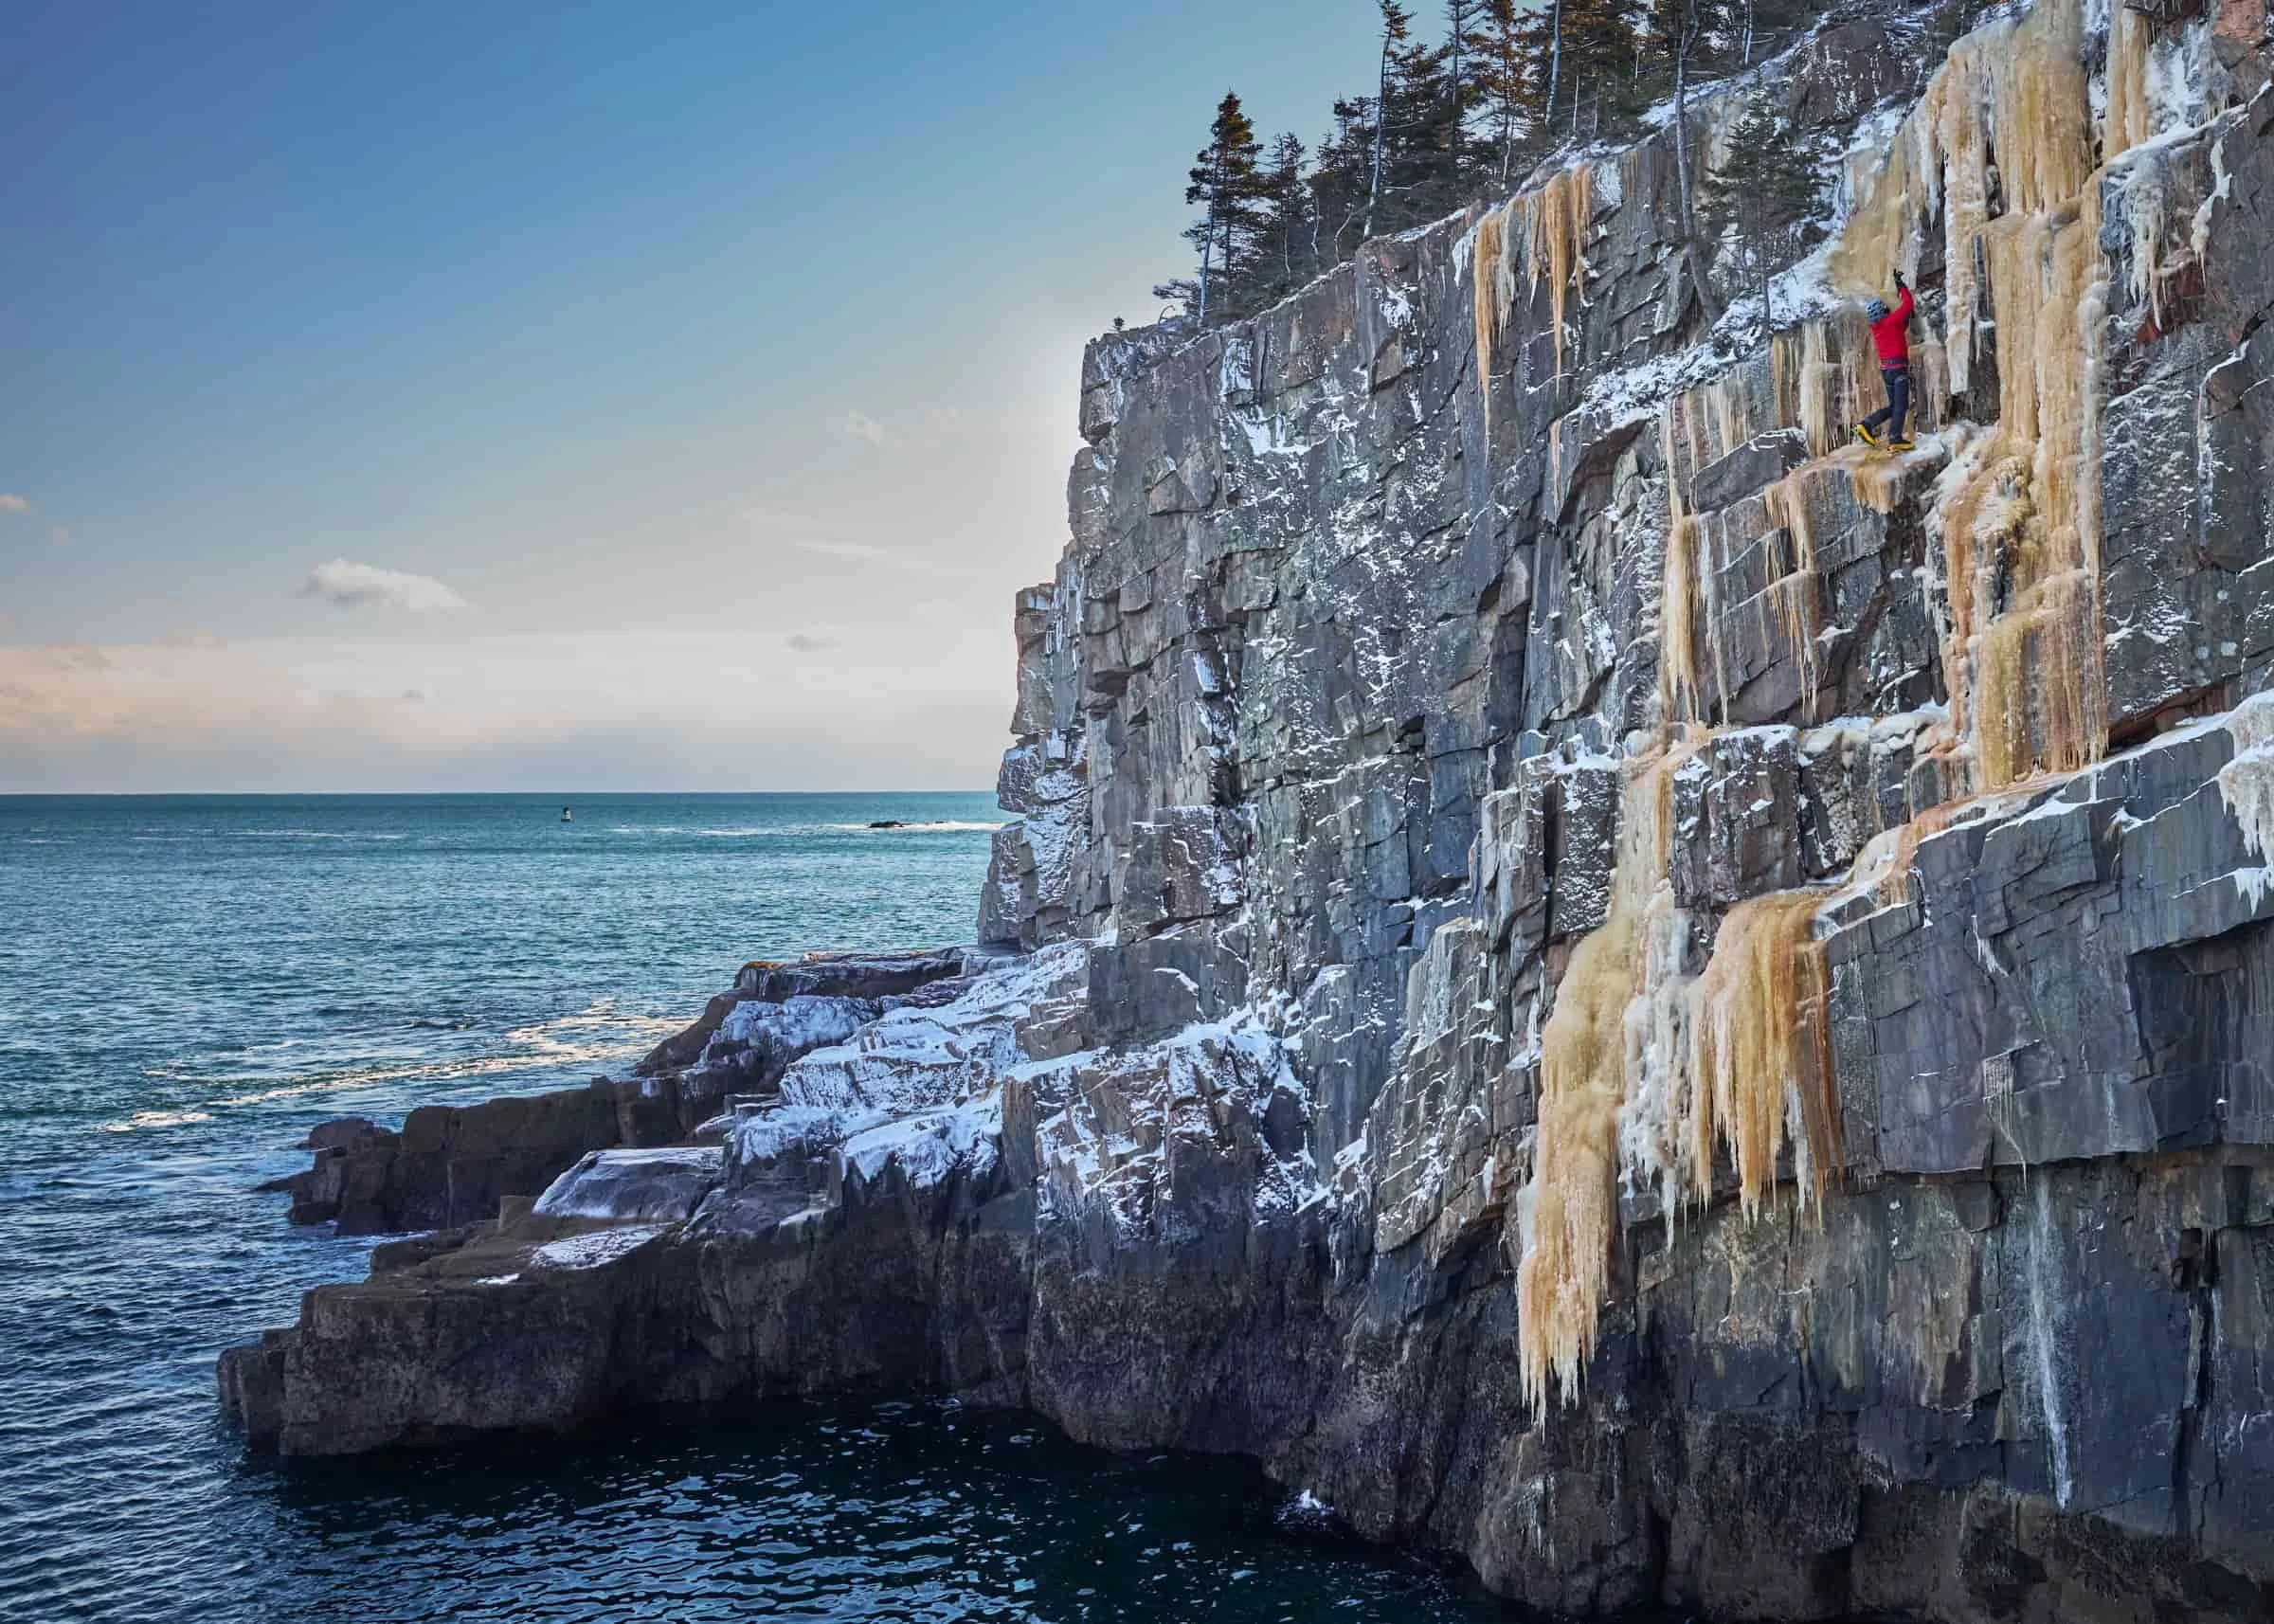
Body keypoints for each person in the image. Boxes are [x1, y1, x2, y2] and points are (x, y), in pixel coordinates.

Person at [1853, 269, 1916, 452]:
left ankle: (1866, 424)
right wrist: (1900, 285)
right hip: (1898, 370)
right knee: (1901, 406)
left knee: (1894, 406)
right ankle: (1895, 438)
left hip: (1887, 371)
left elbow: (1897, 332)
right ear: (1883, 311)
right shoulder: (1891, 322)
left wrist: (1905, 321)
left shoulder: (1878, 327)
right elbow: (1908, 304)